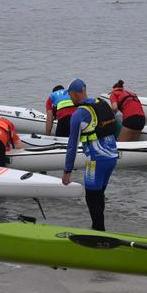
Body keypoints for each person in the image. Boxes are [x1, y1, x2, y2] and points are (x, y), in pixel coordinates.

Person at [61, 79, 118, 231]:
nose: (70, 99)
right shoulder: (101, 103)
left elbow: (72, 145)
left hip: (96, 161)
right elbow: (115, 125)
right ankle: (99, 229)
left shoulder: (79, 114)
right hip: (112, 156)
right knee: (99, 195)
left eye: (70, 96)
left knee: (92, 197)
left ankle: (98, 232)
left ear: (74, 93)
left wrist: (67, 171)